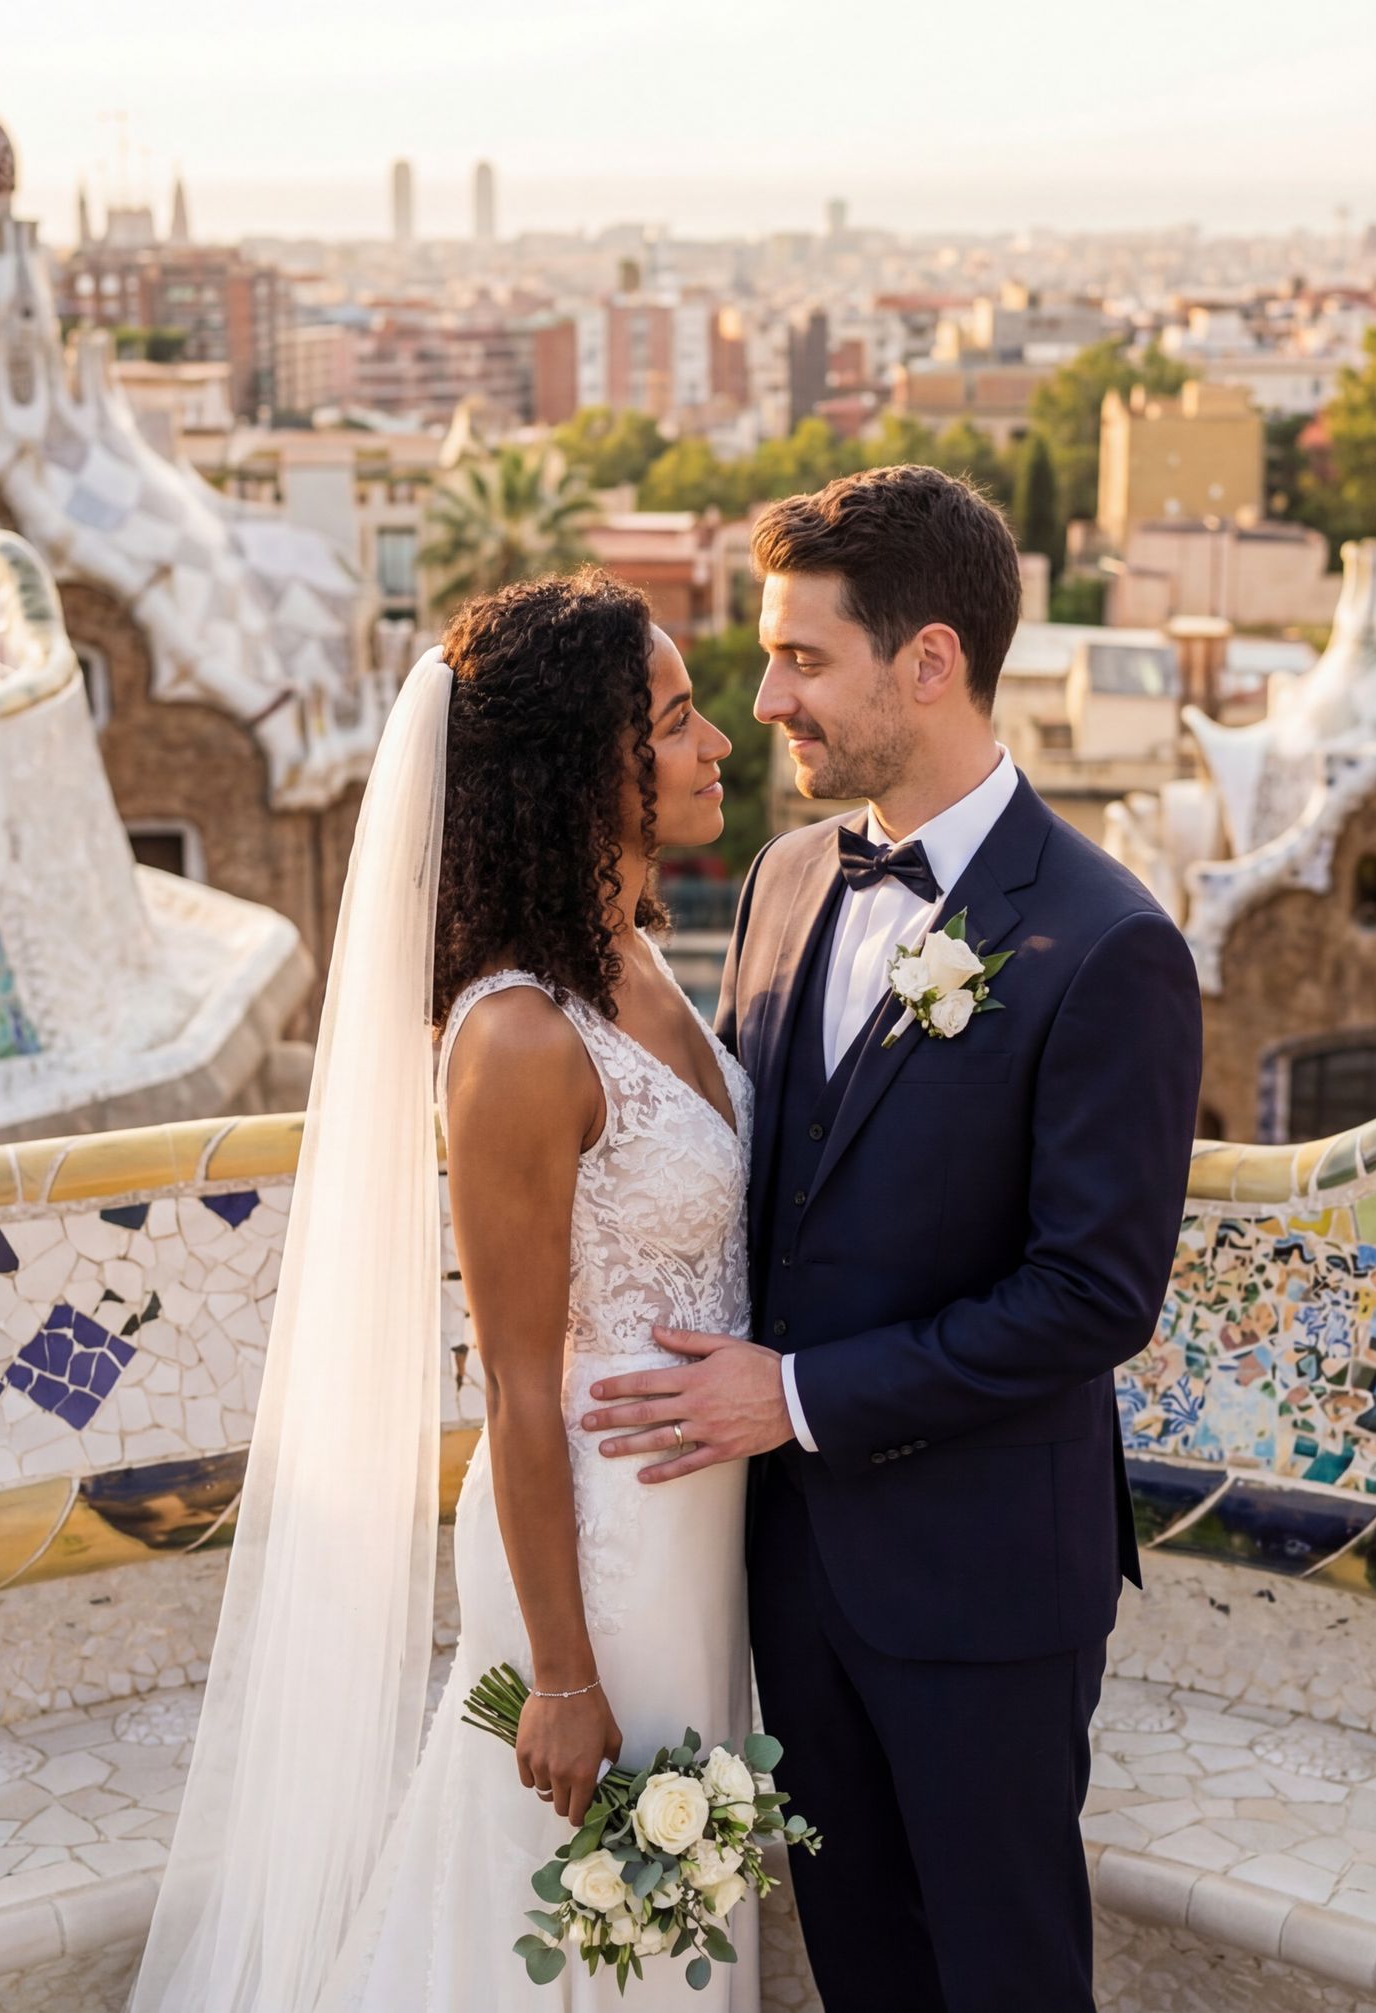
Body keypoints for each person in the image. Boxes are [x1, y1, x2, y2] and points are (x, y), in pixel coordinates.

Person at [580, 465, 1203, 2011]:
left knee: (1004, 1980)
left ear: (930, 661)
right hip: (790, 1573)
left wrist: (792, 1397)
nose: (765, 699)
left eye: (803, 657)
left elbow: (1093, 1293)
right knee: (862, 1971)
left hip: (984, 1587)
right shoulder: (787, 879)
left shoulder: (1111, 943)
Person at [131, 570, 754, 2012]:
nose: (716, 740)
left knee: (671, 1946)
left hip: (696, 1534)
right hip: (598, 1555)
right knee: (561, 1943)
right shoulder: (519, 1037)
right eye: (674, 719)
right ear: (584, 771)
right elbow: (517, 1388)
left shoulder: (633, 953)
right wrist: (565, 1674)